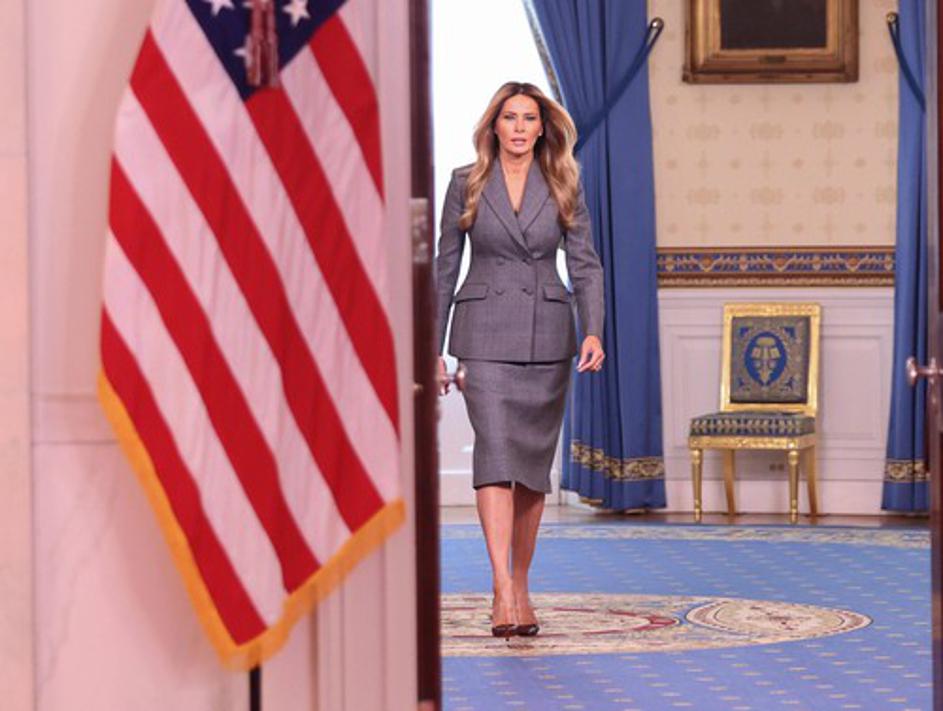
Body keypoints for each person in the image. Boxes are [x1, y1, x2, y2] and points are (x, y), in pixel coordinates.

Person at [435, 81, 605, 638]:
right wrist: (430, 350)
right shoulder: (465, 182)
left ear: (541, 127)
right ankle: (500, 587)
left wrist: (593, 331)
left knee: (531, 469)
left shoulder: (563, 182)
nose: (519, 127)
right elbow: (443, 269)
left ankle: (522, 583)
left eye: (529, 118)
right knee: (496, 456)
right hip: (482, 337)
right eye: (509, 117)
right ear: (494, 125)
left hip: (547, 337)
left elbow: (585, 265)